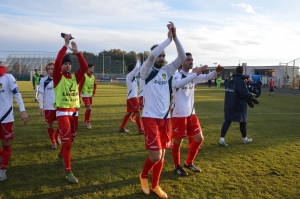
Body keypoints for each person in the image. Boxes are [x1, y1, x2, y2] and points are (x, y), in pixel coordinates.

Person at [139, 22, 186, 199]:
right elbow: (151, 55)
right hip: (150, 118)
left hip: (165, 119)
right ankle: (143, 176)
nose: (161, 57)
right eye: (160, 55)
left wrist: (176, 37)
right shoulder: (146, 71)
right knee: (155, 155)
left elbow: (181, 57)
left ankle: (156, 185)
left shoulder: (167, 71)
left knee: (162, 155)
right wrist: (167, 40)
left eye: (164, 56)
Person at [171, 53, 224, 176]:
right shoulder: (177, 76)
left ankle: (188, 162)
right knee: (178, 142)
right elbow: (178, 85)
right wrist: (195, 74)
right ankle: (177, 166)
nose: (191, 61)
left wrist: (216, 71)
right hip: (179, 114)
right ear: (182, 62)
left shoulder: (192, 76)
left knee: (199, 138)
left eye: (192, 59)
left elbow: (206, 77)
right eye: (188, 60)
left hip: (191, 114)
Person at [53, 34, 88, 183]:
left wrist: (77, 52)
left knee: (71, 140)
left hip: (74, 112)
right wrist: (65, 45)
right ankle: (68, 172)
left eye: (69, 64)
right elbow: (56, 63)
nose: (67, 65)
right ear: (62, 66)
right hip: (62, 113)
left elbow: (85, 67)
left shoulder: (75, 78)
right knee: (67, 142)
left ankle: (61, 154)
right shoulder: (57, 77)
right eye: (65, 63)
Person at [0, 65, 29, 181]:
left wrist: (22, 111)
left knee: (5, 142)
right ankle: (3, 157)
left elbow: (17, 94)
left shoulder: (8, 77)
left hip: (5, 117)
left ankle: (2, 170)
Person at [219, 66, 255, 146]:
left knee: (227, 120)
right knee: (243, 121)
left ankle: (222, 138)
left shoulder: (229, 80)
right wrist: (250, 95)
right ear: (242, 71)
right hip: (238, 104)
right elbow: (243, 93)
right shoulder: (240, 81)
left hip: (229, 103)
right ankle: (244, 138)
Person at [38, 62, 61, 149]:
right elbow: (40, 94)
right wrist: (41, 107)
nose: (51, 71)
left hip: (59, 106)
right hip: (48, 107)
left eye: (52, 69)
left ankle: (57, 135)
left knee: (61, 124)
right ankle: (53, 141)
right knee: (50, 125)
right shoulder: (43, 80)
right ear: (46, 71)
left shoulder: (60, 78)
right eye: (49, 69)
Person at [119, 55, 143, 134]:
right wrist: (138, 61)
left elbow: (138, 69)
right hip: (132, 98)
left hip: (131, 97)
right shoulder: (129, 76)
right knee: (137, 113)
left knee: (129, 113)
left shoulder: (133, 76)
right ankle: (140, 130)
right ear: (132, 70)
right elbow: (137, 68)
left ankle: (122, 127)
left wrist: (138, 62)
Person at [78, 63, 97, 130]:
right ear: (88, 68)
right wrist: (78, 96)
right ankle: (88, 123)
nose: (93, 69)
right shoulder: (84, 76)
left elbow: (95, 86)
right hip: (85, 94)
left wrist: (93, 94)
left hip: (90, 95)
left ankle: (85, 122)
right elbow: (80, 86)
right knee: (89, 108)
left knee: (88, 109)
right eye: (92, 68)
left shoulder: (93, 77)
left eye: (93, 68)